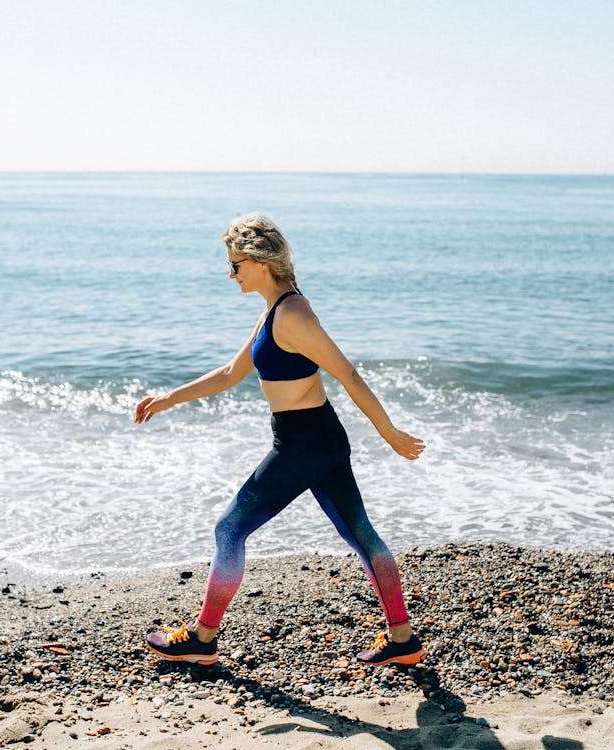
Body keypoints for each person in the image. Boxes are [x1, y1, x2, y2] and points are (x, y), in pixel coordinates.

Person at [133, 213, 426, 668]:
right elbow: (231, 374)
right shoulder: (272, 310)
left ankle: (203, 639)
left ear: (259, 262)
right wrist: (171, 397)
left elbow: (346, 372)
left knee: (229, 529)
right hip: (314, 438)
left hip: (305, 442)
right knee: (361, 535)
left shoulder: (292, 315)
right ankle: (403, 639)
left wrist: (388, 433)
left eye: (235, 265)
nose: (231, 274)